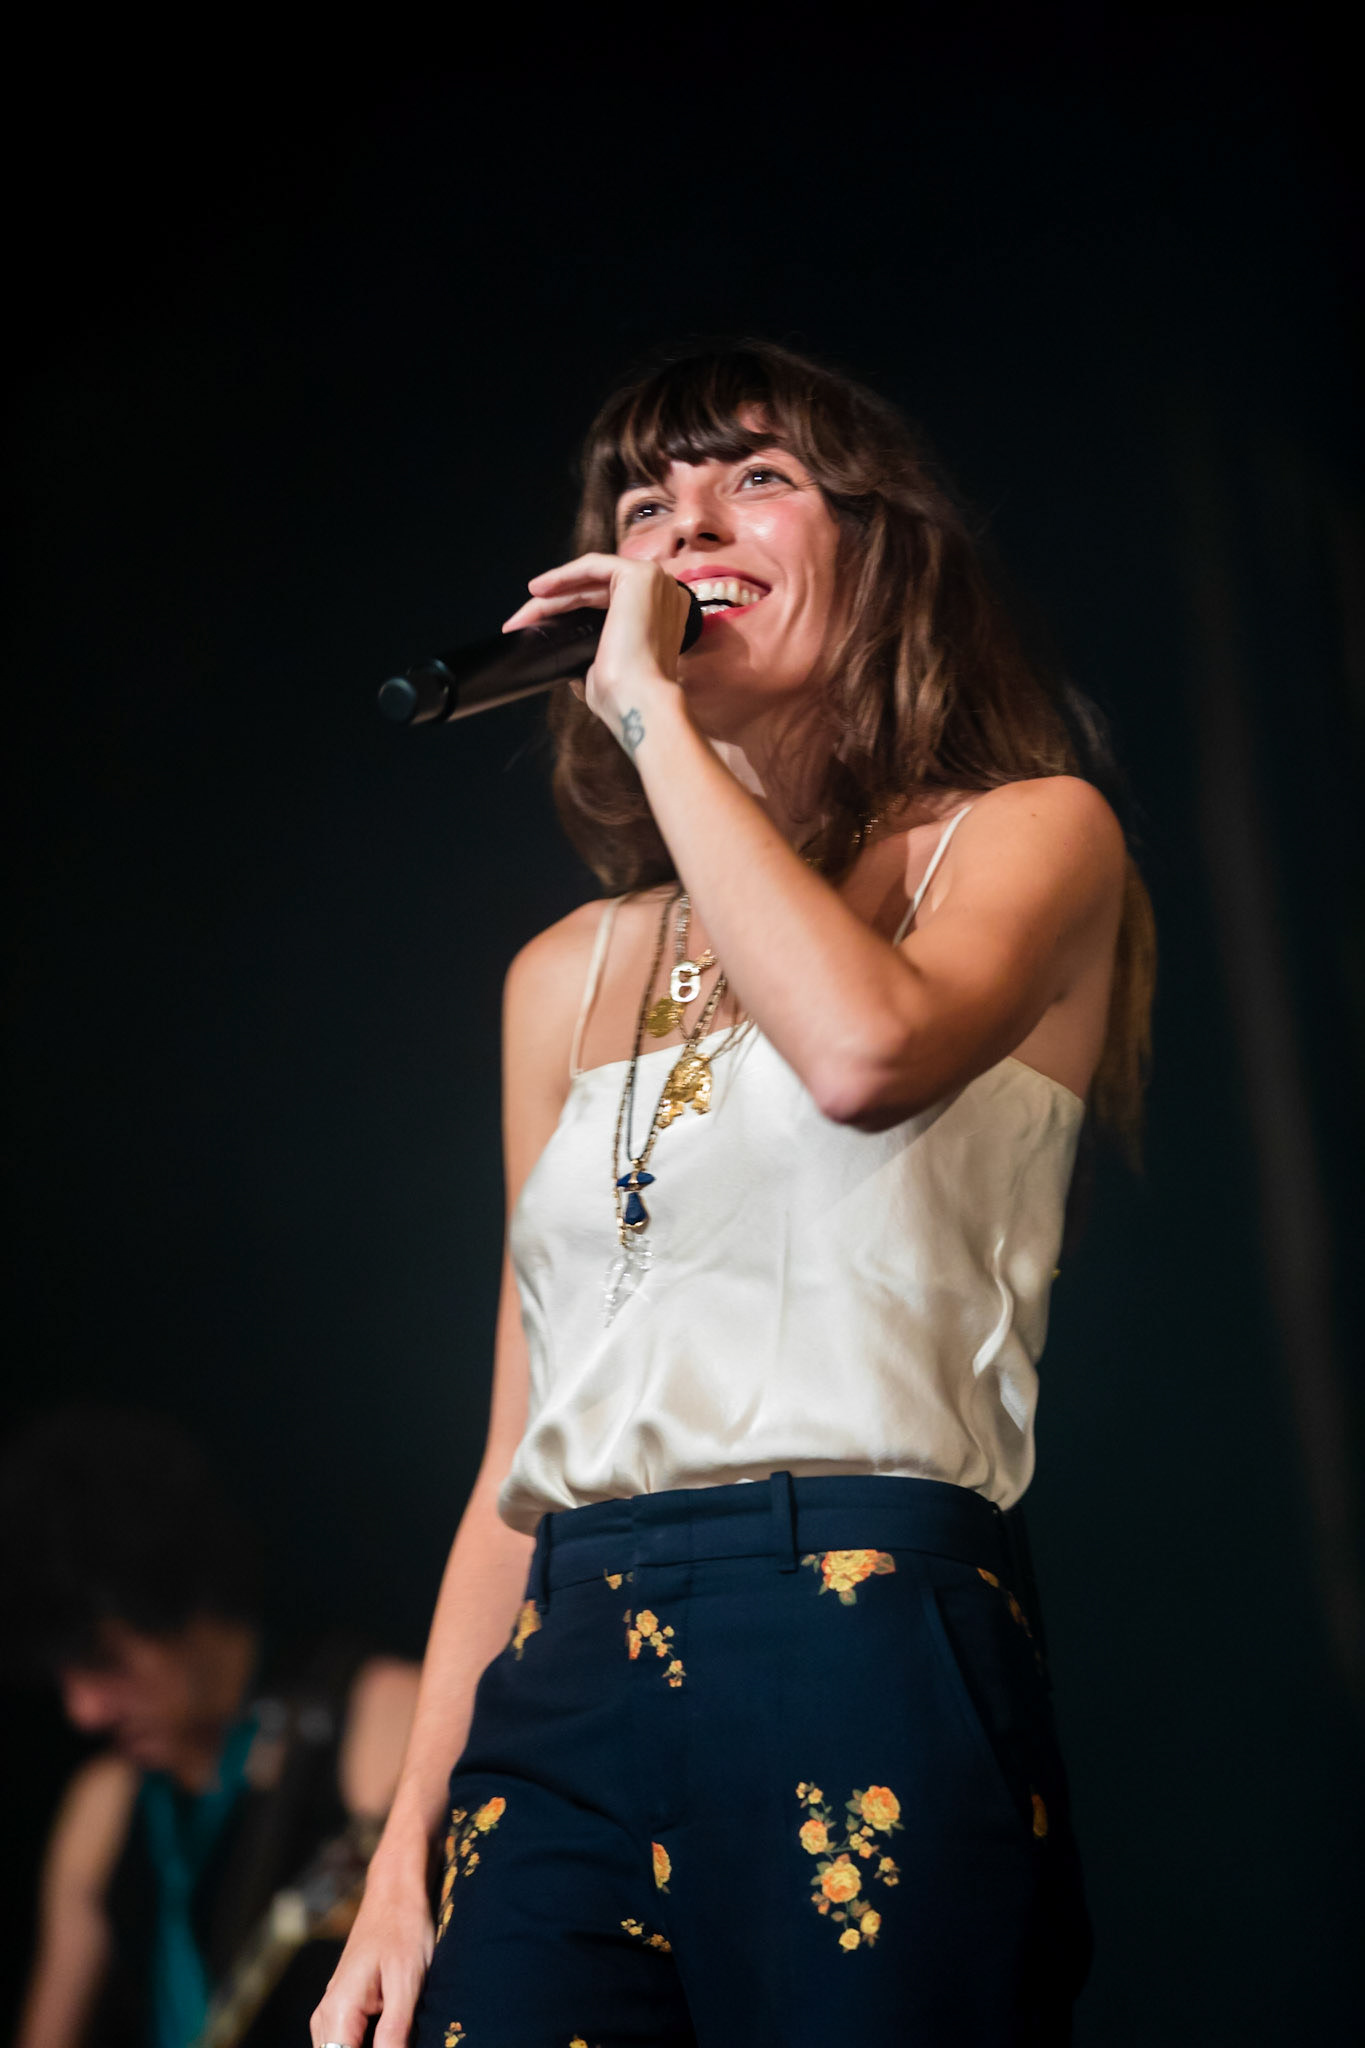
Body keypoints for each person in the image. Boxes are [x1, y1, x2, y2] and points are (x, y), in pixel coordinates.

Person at [312, 340, 1154, 2046]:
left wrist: (645, 708)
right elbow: (519, 1457)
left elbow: (863, 1052)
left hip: (854, 1616)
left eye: (753, 476)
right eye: (644, 500)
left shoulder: (1024, 836)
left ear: (884, 543)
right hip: (565, 1679)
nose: (685, 519)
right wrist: (401, 1851)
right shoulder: (562, 972)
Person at [2, 1407, 420, 2048]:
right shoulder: (104, 1802)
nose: (82, 1712)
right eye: (65, 1676)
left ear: (185, 1599)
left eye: (105, 1662)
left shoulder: (375, 1711)